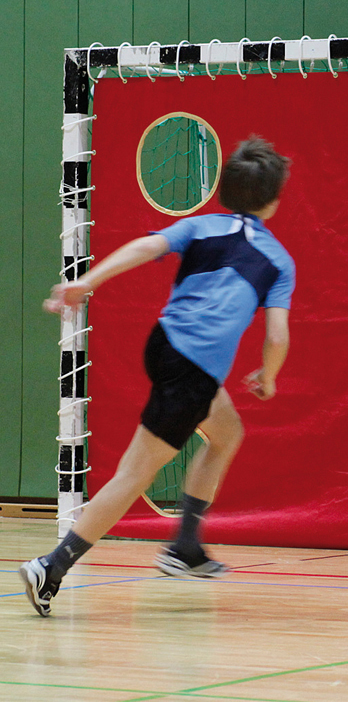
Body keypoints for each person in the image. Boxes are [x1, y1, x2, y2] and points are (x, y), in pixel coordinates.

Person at [19, 137, 294, 617]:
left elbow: (147, 247)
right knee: (134, 473)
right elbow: (276, 336)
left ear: (225, 190)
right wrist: (268, 378)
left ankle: (185, 546)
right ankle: (52, 566)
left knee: (227, 433)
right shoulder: (277, 261)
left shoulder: (201, 225)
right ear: (273, 201)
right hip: (193, 372)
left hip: (164, 344)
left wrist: (87, 282)